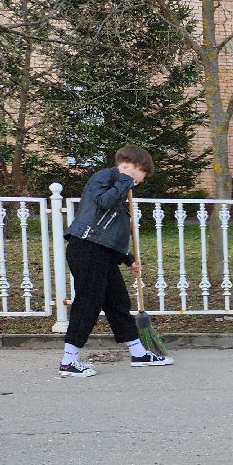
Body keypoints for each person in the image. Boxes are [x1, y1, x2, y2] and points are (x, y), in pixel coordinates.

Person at [58, 145, 172, 376]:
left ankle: (138, 352)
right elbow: (102, 202)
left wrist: (127, 259)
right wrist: (125, 180)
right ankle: (69, 361)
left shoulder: (120, 188)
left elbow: (110, 235)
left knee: (118, 302)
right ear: (133, 167)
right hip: (86, 248)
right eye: (142, 175)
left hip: (102, 253)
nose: (141, 181)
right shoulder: (106, 178)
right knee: (88, 302)